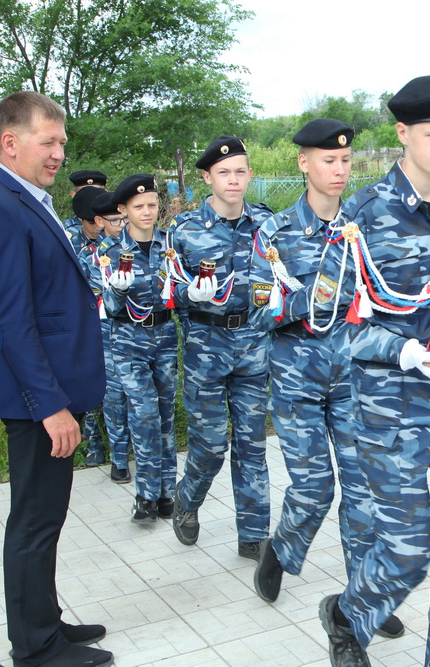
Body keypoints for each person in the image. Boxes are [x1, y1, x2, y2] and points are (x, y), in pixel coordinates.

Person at [314, 75, 430, 667]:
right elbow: (336, 324)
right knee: (408, 551)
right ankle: (349, 614)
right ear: (403, 133)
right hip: (393, 406)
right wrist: (405, 351)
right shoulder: (361, 214)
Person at [0, 91, 112, 667]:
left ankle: (44, 622)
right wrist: (50, 405)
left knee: (46, 515)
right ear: (10, 142)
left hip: (45, 389)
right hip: (34, 398)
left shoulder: (24, 198)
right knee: (34, 519)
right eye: (48, 141)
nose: (58, 153)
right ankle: (35, 648)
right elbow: (11, 321)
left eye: (61, 142)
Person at [251, 119, 404, 639]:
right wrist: (309, 298)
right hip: (297, 381)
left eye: (345, 161)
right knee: (315, 488)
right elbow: (258, 311)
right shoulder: (275, 234)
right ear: (304, 163)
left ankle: (362, 597)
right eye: (327, 160)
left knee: (363, 491)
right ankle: (280, 549)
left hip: (354, 377)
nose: (339, 170)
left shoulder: (361, 229)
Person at [166, 136, 275, 558]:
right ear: (207, 177)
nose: (233, 179)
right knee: (210, 445)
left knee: (253, 445)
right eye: (224, 172)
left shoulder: (267, 223)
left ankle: (253, 534)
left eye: (240, 171)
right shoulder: (185, 229)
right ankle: (187, 498)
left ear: (250, 175)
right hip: (205, 349)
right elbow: (164, 289)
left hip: (253, 345)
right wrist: (187, 292)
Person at [101, 174, 178, 523]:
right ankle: (146, 495)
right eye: (138, 206)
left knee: (165, 417)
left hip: (165, 337)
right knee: (144, 415)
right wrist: (117, 291)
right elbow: (109, 308)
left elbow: (180, 292)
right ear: (123, 209)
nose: (147, 212)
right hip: (129, 341)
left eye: (151, 205)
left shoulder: (170, 245)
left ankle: (167, 493)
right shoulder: (110, 252)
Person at [82, 190, 132, 483]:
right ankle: (119, 459)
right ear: (99, 221)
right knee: (114, 398)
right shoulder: (91, 258)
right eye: (115, 221)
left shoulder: (135, 248)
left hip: (136, 335)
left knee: (138, 398)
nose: (122, 225)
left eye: (124, 219)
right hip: (106, 337)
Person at [68, 186, 108, 466]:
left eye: (100, 220)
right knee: (88, 383)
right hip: (81, 322)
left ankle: (121, 443)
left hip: (110, 323)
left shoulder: (114, 239)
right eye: (91, 222)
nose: (97, 227)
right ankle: (93, 443)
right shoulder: (68, 241)